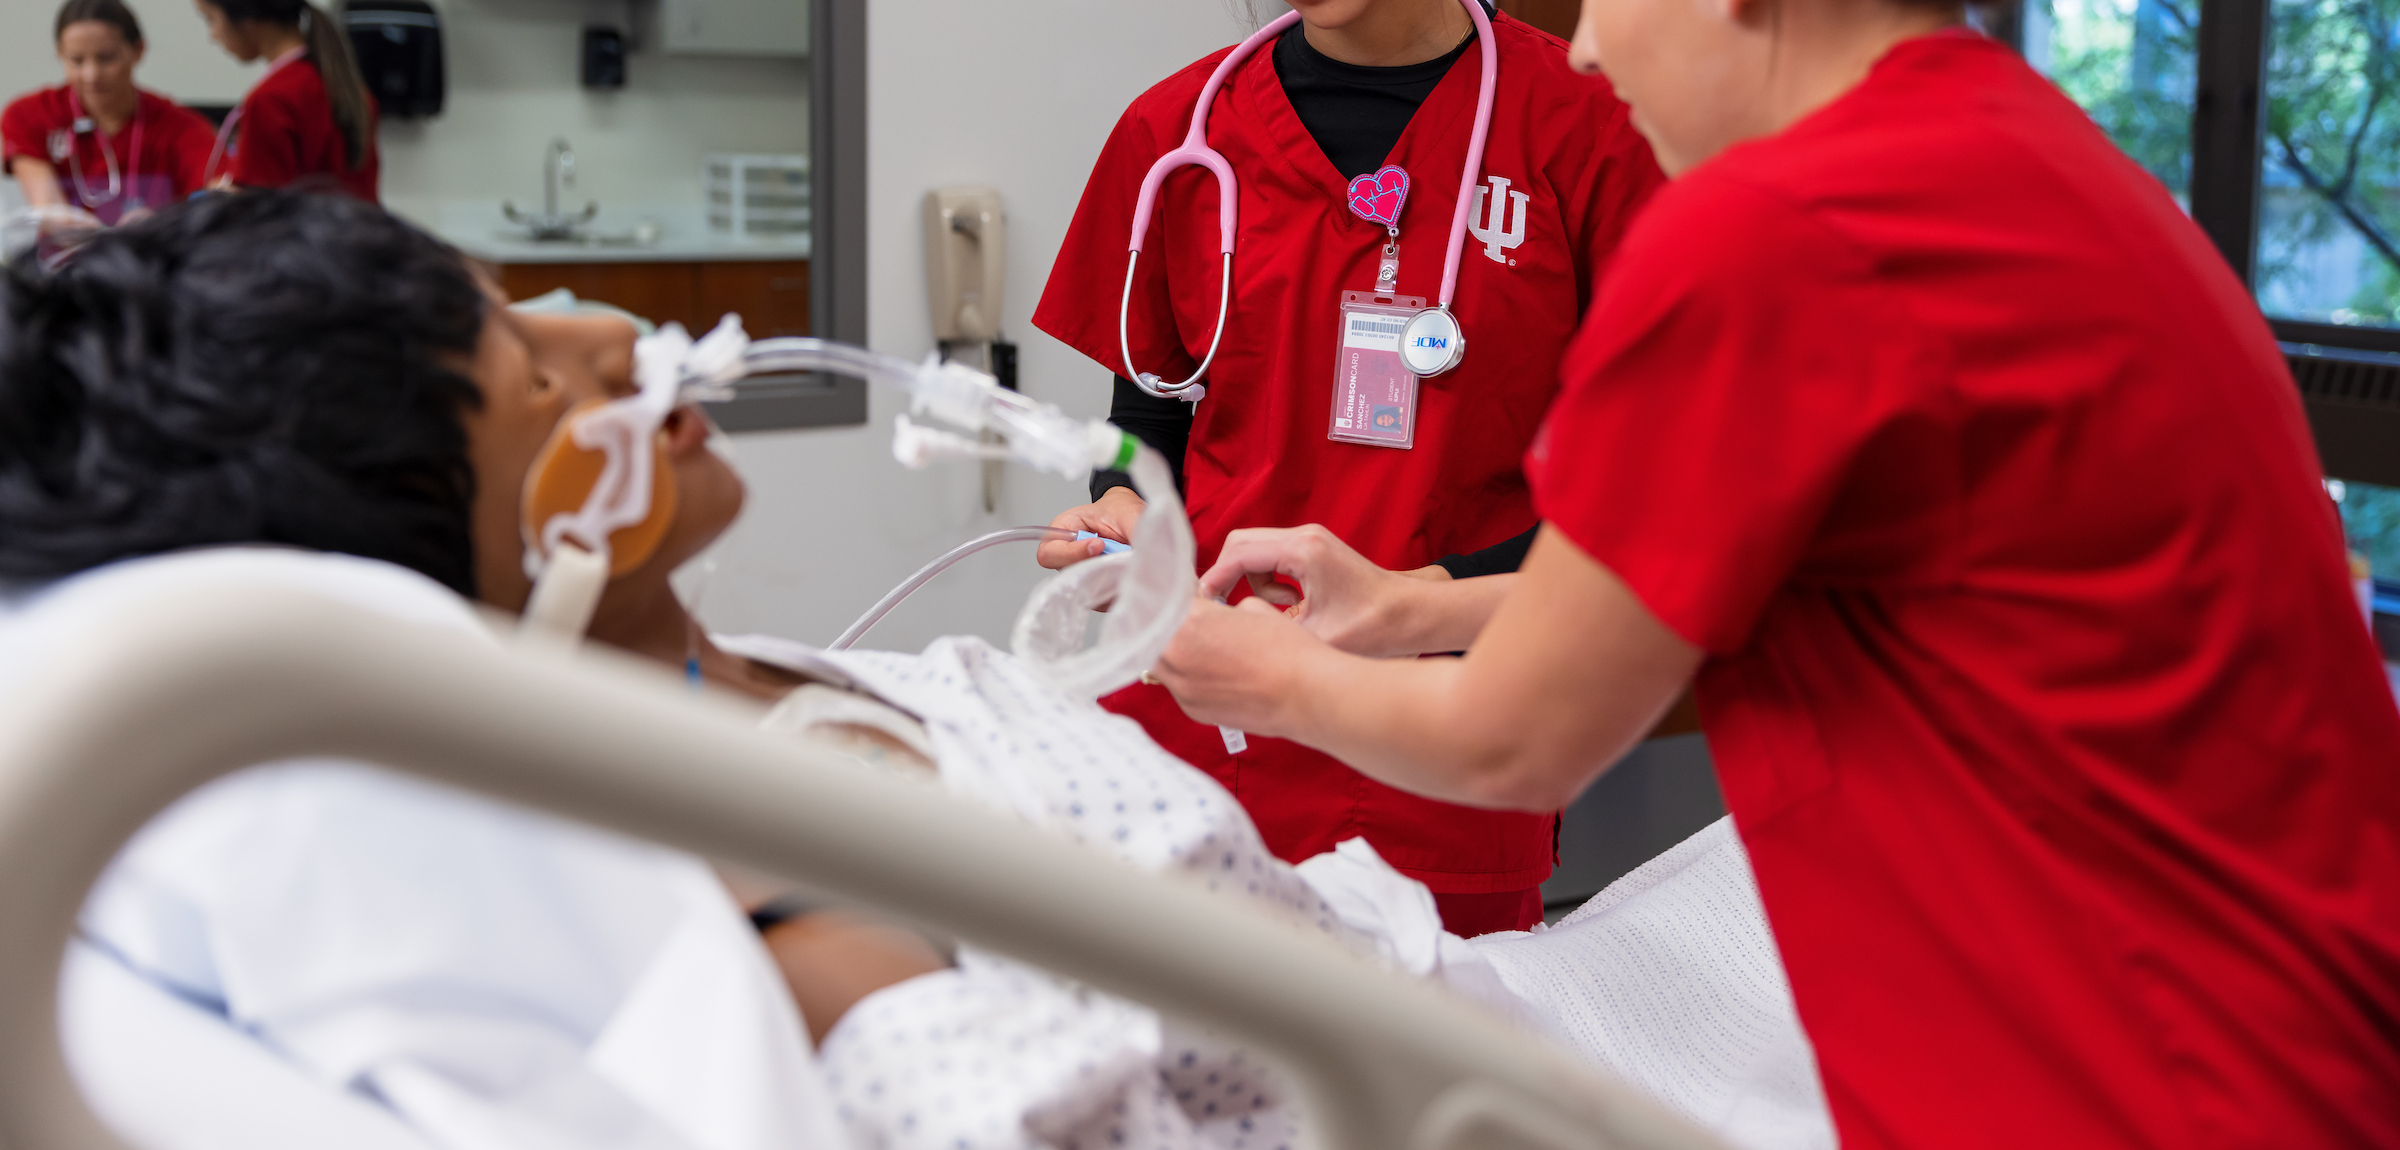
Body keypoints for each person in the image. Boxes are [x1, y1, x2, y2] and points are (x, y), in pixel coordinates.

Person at [1150, 0, 2400, 1146]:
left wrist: (1266, 677)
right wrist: (1419, 605)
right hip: (2297, 1042)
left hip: (2126, 1074)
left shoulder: (1780, 236)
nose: (1587, 38)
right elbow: (1781, 561)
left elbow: (1523, 731)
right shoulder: (2039, 164)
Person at [0, 190, 1835, 1150]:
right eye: (530, 366)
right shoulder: (777, 928)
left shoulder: (777, 680)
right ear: (449, 545)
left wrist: (1369, 608)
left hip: (1510, 1000)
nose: (602, 332)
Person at [1032, 0, 1663, 936]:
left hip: (1443, 739)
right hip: (1190, 731)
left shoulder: (1585, 133)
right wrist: (1113, 503)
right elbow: (1140, 417)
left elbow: (1637, 507)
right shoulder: (1178, 136)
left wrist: (1421, 600)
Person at [2, 0, 219, 223]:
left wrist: (158, 225)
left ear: (138, 51)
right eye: (76, 60)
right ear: (59, 54)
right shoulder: (30, 115)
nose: (91, 75)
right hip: (66, 259)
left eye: (106, 59)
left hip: (153, 256)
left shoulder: (181, 129)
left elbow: (219, 196)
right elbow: (49, 210)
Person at [189, 0, 379, 202]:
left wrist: (224, 202)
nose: (213, 35)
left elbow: (264, 220)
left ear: (248, 18)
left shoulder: (270, 102)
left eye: (211, 19)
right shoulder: (349, 89)